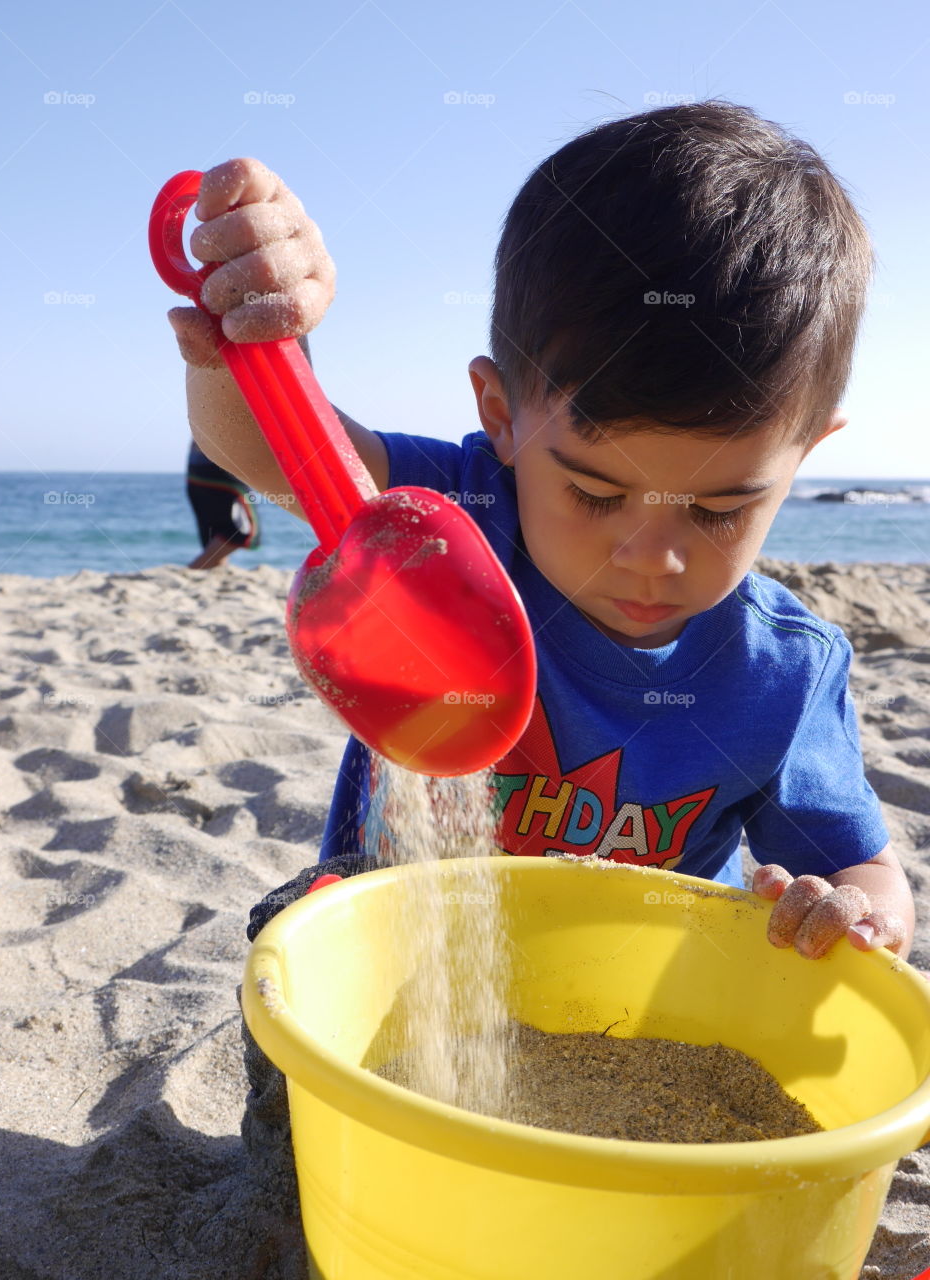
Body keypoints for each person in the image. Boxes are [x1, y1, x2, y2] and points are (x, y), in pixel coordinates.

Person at [167, 100, 914, 965]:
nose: (652, 557)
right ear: (503, 416)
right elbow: (275, 453)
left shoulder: (780, 674)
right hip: (393, 982)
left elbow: (865, 866)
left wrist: (858, 913)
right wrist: (250, 353)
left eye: (719, 509)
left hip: (633, 1014)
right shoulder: (449, 529)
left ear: (803, 456)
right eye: (595, 492)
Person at [185, 437, 261, 569]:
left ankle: (212, 570)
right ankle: (193, 569)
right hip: (218, 460)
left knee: (215, 532)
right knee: (243, 531)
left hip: (197, 461)